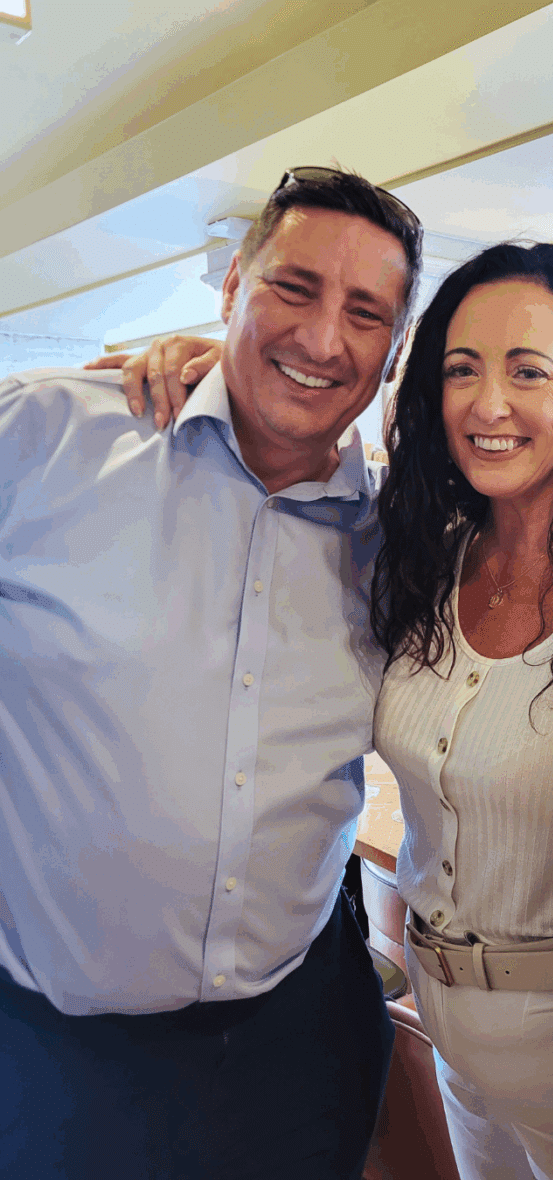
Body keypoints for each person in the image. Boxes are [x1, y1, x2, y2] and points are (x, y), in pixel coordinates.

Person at [98, 241, 553, 1180]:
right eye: (462, 369)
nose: (488, 405)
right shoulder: (421, 548)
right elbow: (297, 477)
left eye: (528, 371)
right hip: (450, 1018)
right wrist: (249, 380)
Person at [0, 166, 423, 1180]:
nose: (322, 339)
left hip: (298, 1044)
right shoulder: (44, 438)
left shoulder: (398, 539)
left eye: (365, 313)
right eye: (293, 288)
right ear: (232, 285)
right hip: (52, 1064)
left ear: (393, 347)